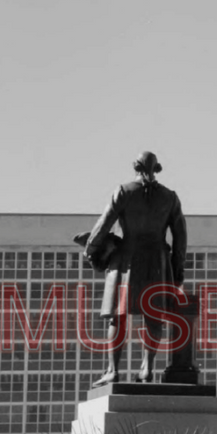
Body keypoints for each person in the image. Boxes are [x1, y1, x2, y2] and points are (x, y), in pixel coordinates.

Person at [82, 150, 187, 385]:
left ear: (136, 168)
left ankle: (113, 370)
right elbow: (180, 237)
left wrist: (90, 248)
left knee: (117, 318)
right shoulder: (170, 197)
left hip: (126, 259)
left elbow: (104, 224)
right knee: (154, 317)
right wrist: (178, 269)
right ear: (156, 168)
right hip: (157, 261)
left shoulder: (124, 191)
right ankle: (147, 369)